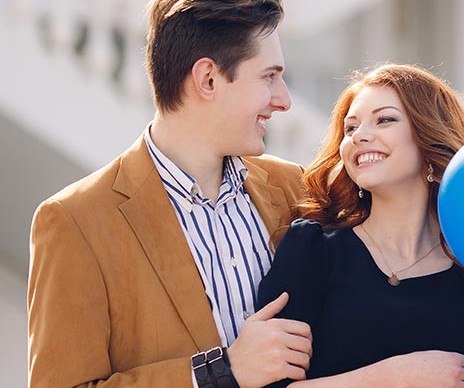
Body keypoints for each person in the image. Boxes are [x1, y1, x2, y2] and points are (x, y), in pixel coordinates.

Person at [27, 1, 313, 387]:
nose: (284, 100)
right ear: (207, 78)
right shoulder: (74, 222)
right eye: (269, 77)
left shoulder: (294, 187)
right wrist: (220, 373)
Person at [257, 64, 464, 387]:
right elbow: (267, 384)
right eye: (350, 128)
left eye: (384, 119)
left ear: (429, 135)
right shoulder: (311, 249)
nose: (359, 136)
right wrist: (393, 377)